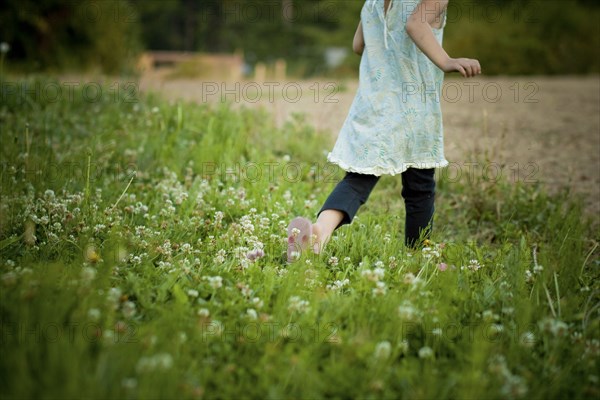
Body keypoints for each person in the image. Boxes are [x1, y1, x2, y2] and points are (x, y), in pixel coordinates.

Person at [287, 0, 481, 262]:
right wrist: (446, 60)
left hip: (372, 106)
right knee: (420, 187)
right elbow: (415, 23)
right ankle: (417, 257)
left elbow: (358, 45)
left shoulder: (373, 3)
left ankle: (320, 232)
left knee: (357, 180)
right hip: (414, 110)